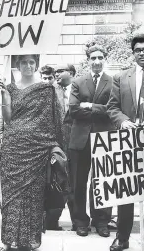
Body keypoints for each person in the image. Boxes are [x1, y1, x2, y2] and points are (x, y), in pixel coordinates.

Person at [0, 54, 63, 251]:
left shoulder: (46, 89)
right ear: (17, 65)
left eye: (32, 62)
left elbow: (55, 119)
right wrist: (4, 95)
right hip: (13, 148)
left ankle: (29, 241)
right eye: (24, 62)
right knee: (11, 196)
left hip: (37, 148)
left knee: (33, 196)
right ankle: (10, 242)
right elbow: (8, 119)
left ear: (37, 65)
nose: (28, 65)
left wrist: (54, 145)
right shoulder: (10, 88)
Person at [69, 43, 114, 237]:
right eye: (93, 58)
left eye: (100, 58)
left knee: (103, 181)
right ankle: (80, 221)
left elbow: (112, 110)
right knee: (79, 182)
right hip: (81, 140)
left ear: (105, 60)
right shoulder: (78, 82)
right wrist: (98, 109)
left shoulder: (114, 82)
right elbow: (73, 110)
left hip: (104, 139)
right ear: (88, 61)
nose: (96, 61)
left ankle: (101, 221)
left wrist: (89, 105)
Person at [106, 32, 144, 251]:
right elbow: (112, 107)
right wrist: (123, 122)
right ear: (133, 53)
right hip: (128, 141)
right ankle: (122, 237)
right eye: (138, 50)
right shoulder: (122, 77)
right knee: (126, 191)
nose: (142, 53)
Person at [45, 63, 76, 231]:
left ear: (71, 73)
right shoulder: (51, 91)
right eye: (55, 72)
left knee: (75, 182)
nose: (56, 74)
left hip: (76, 143)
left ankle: (77, 221)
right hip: (55, 144)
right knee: (56, 180)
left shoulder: (78, 88)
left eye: (60, 71)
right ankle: (51, 220)